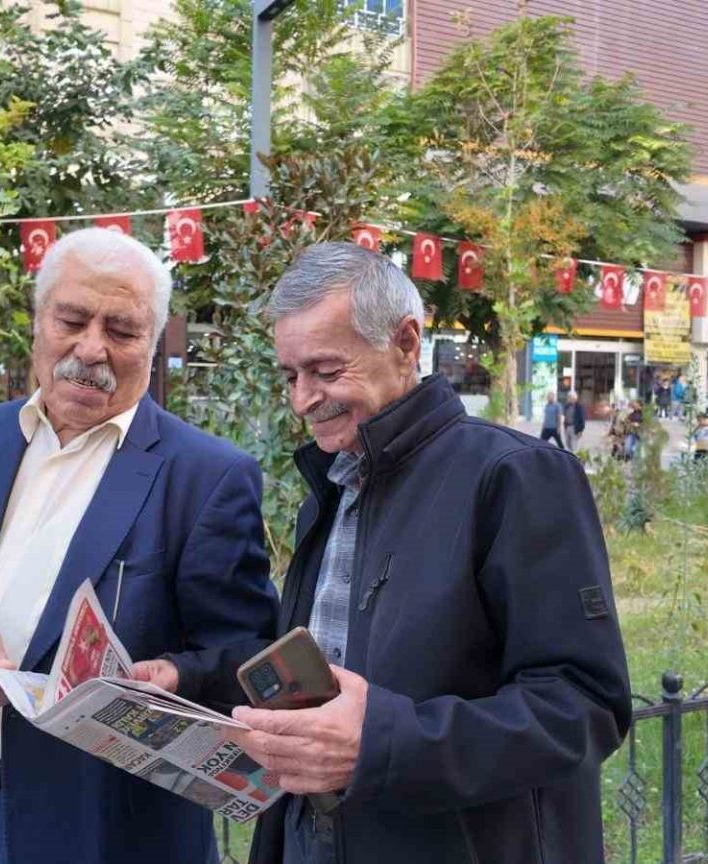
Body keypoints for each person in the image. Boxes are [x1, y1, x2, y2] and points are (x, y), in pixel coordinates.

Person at [0, 228, 279, 864]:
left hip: (100, 834)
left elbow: (246, 655)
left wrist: (176, 676)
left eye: (122, 330)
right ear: (38, 322)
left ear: (152, 345)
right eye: (73, 320)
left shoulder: (206, 476)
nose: (91, 348)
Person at [237, 243, 630, 864]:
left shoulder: (515, 476)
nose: (303, 399)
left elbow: (583, 707)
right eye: (291, 376)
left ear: (406, 343)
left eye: (326, 371)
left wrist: (384, 745)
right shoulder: (332, 485)